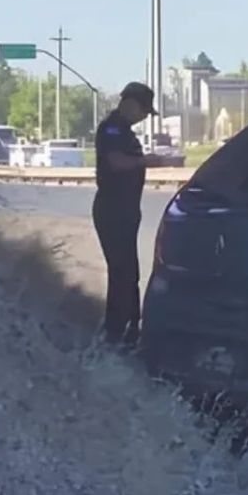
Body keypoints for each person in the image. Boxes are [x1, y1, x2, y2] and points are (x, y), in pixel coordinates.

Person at [94, 82, 162, 347]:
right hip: (112, 209)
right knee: (121, 272)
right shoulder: (111, 129)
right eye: (144, 110)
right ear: (130, 104)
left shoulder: (124, 131)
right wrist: (147, 161)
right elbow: (116, 162)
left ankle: (132, 328)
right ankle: (115, 332)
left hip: (126, 210)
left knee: (129, 272)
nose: (145, 116)